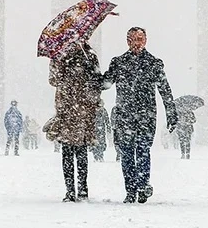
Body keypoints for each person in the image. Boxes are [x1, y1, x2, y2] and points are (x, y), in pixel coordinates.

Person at [102, 27, 177, 204]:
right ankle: (130, 189)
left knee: (143, 150)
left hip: (146, 116)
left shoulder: (153, 63)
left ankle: (142, 185)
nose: (137, 43)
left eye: (140, 39)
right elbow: (106, 83)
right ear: (127, 41)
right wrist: (93, 75)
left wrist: (171, 112)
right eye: (133, 39)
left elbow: (165, 90)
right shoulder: (118, 63)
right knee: (127, 153)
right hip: (125, 116)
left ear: (145, 41)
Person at [48, 40, 102, 202]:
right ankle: (70, 189)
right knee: (67, 152)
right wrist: (63, 64)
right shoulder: (59, 56)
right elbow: (53, 80)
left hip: (84, 109)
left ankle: (83, 188)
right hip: (66, 109)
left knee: (81, 151)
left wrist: (88, 68)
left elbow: (97, 80)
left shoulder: (89, 54)